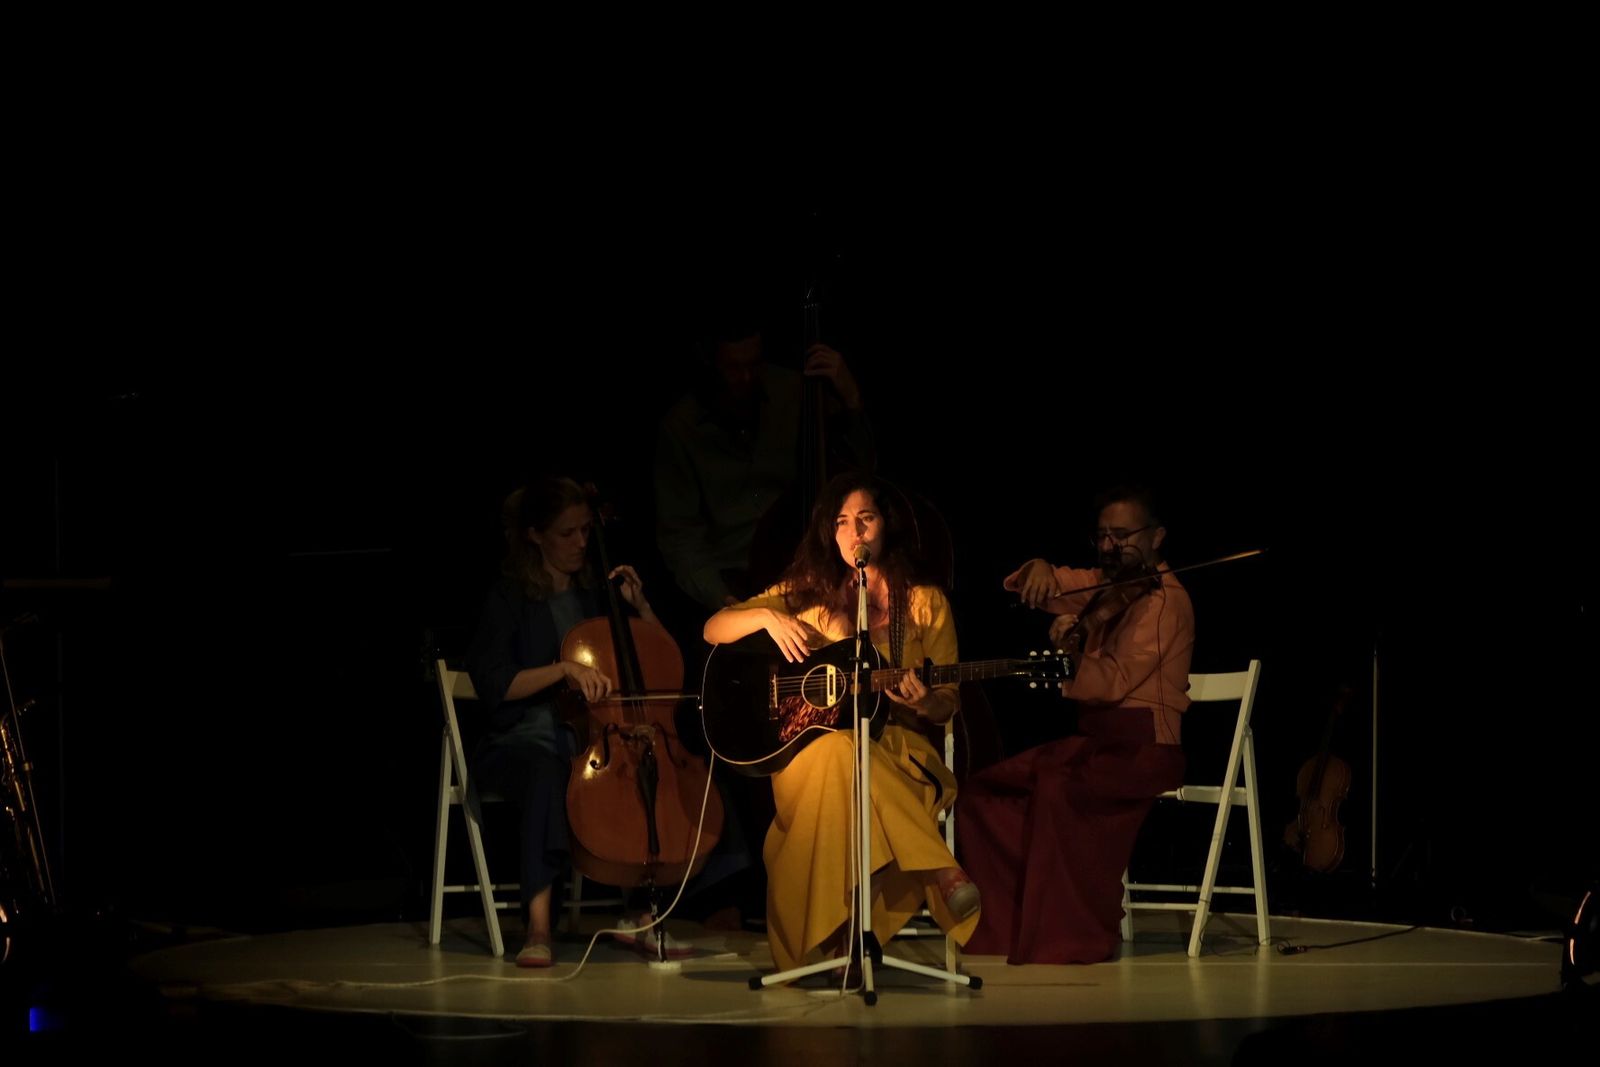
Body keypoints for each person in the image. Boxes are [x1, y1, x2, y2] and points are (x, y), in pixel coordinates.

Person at [702, 472, 979, 973]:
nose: (855, 532)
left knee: (852, 760)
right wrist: (766, 619)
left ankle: (843, 943)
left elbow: (947, 703)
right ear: (829, 534)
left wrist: (921, 702)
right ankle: (940, 869)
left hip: (898, 748)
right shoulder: (805, 594)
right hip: (807, 753)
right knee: (838, 753)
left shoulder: (925, 603)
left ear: (884, 527)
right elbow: (713, 629)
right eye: (842, 522)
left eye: (865, 519)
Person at [956, 485, 1194, 964]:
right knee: (983, 794)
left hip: (1145, 747)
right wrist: (1036, 569)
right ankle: (1005, 930)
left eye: (1123, 535)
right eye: (1103, 536)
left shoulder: (1165, 603)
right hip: (1097, 743)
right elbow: (1056, 585)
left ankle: (1067, 938)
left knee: (1057, 788)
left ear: (1157, 537)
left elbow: (1113, 683)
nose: (1110, 546)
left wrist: (1072, 651)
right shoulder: (1110, 583)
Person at [465, 476, 662, 967]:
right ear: (535, 535)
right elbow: (495, 684)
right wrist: (562, 670)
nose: (581, 543)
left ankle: (641, 916)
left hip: (587, 739)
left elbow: (657, 661)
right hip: (518, 742)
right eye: (567, 533)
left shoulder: (596, 595)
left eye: (584, 532)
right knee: (546, 771)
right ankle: (537, 927)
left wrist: (641, 607)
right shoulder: (510, 597)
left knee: (639, 767)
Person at [656, 323, 874, 612]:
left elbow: (862, 471)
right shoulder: (681, 429)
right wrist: (723, 599)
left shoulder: (794, 392)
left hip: (803, 568)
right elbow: (680, 536)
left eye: (754, 365)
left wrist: (852, 400)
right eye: (733, 369)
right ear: (710, 362)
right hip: (730, 581)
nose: (746, 378)